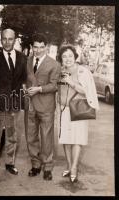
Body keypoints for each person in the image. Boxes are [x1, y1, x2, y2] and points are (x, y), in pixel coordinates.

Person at [0, 28, 27, 175]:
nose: (7, 42)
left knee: (12, 135)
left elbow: (24, 80)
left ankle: (9, 163)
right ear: (0, 39)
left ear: (15, 40)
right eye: (4, 39)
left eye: (10, 39)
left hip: (15, 103)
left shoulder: (22, 58)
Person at [57, 45, 99, 183]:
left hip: (78, 108)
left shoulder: (83, 71)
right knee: (66, 139)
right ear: (61, 59)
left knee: (77, 139)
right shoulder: (60, 70)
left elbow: (88, 91)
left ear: (75, 57)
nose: (67, 59)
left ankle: (74, 168)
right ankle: (69, 166)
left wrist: (71, 82)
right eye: (64, 56)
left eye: (70, 56)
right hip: (63, 109)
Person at [24, 33, 61, 180]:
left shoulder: (54, 64)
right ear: (32, 47)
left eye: (41, 47)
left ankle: (47, 167)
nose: (37, 50)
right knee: (31, 137)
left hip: (46, 106)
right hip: (30, 105)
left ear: (46, 47)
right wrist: (24, 87)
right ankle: (35, 165)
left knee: (46, 137)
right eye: (35, 47)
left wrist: (39, 89)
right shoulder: (27, 61)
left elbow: (54, 85)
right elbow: (24, 79)